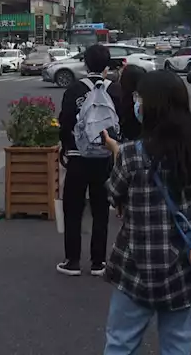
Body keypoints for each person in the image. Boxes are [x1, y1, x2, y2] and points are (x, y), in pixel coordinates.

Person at [101, 70, 191, 355]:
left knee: (120, 343)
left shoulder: (129, 153)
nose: (137, 103)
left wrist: (115, 151)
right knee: (177, 346)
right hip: (181, 265)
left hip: (134, 264)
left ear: (151, 107)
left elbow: (113, 194)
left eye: (140, 99)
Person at [57, 42, 120, 276]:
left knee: (73, 208)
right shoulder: (115, 89)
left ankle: (72, 261)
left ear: (85, 62)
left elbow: (65, 123)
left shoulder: (74, 90)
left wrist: (66, 147)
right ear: (107, 63)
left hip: (77, 156)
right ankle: (98, 262)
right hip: (105, 157)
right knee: (100, 209)